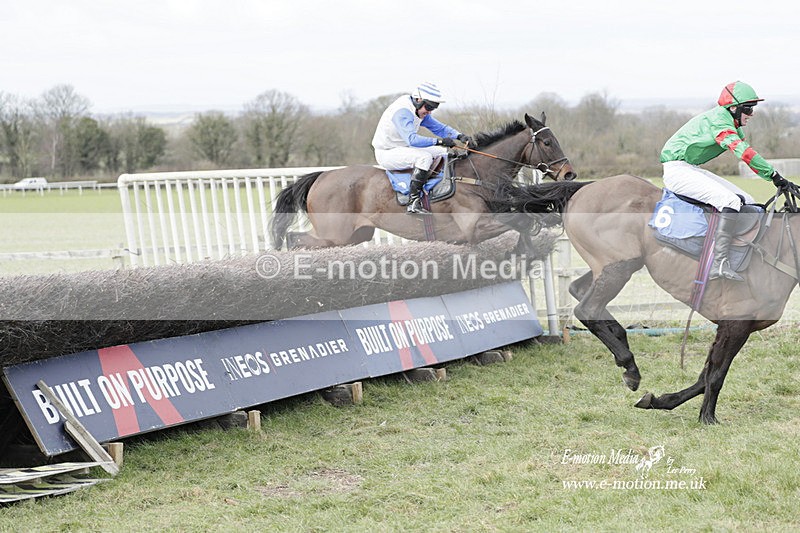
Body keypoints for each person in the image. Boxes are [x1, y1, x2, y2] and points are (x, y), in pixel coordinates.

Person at [660, 81, 789, 281]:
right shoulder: (720, 121)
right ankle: (718, 262)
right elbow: (744, 153)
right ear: (734, 108)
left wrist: (774, 177)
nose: (752, 113)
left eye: (753, 108)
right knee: (729, 201)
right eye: (748, 108)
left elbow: (748, 154)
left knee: (746, 199)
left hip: (689, 168)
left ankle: (740, 252)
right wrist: (774, 175)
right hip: (677, 170)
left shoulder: (732, 125)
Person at [372, 82, 473, 215]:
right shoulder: (403, 112)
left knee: (443, 152)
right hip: (387, 152)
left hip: (402, 147)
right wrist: (440, 141)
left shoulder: (417, 109)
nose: (430, 111)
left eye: (433, 108)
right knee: (424, 158)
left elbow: (439, 128)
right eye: (429, 107)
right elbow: (412, 140)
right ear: (418, 99)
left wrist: (460, 135)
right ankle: (413, 202)